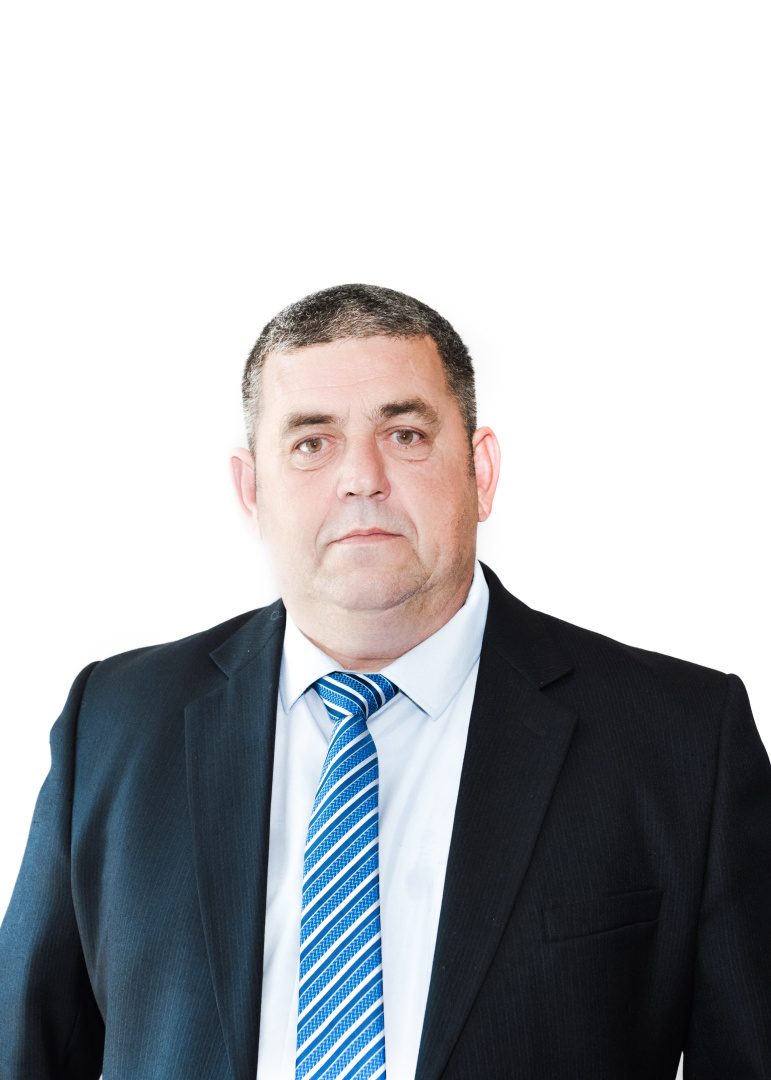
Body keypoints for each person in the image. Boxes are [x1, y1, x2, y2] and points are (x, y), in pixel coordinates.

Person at [1, 283, 769, 1080]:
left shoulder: (682, 743)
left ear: (480, 471)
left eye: (404, 435)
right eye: (311, 443)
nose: (360, 478)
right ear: (251, 491)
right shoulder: (114, 724)